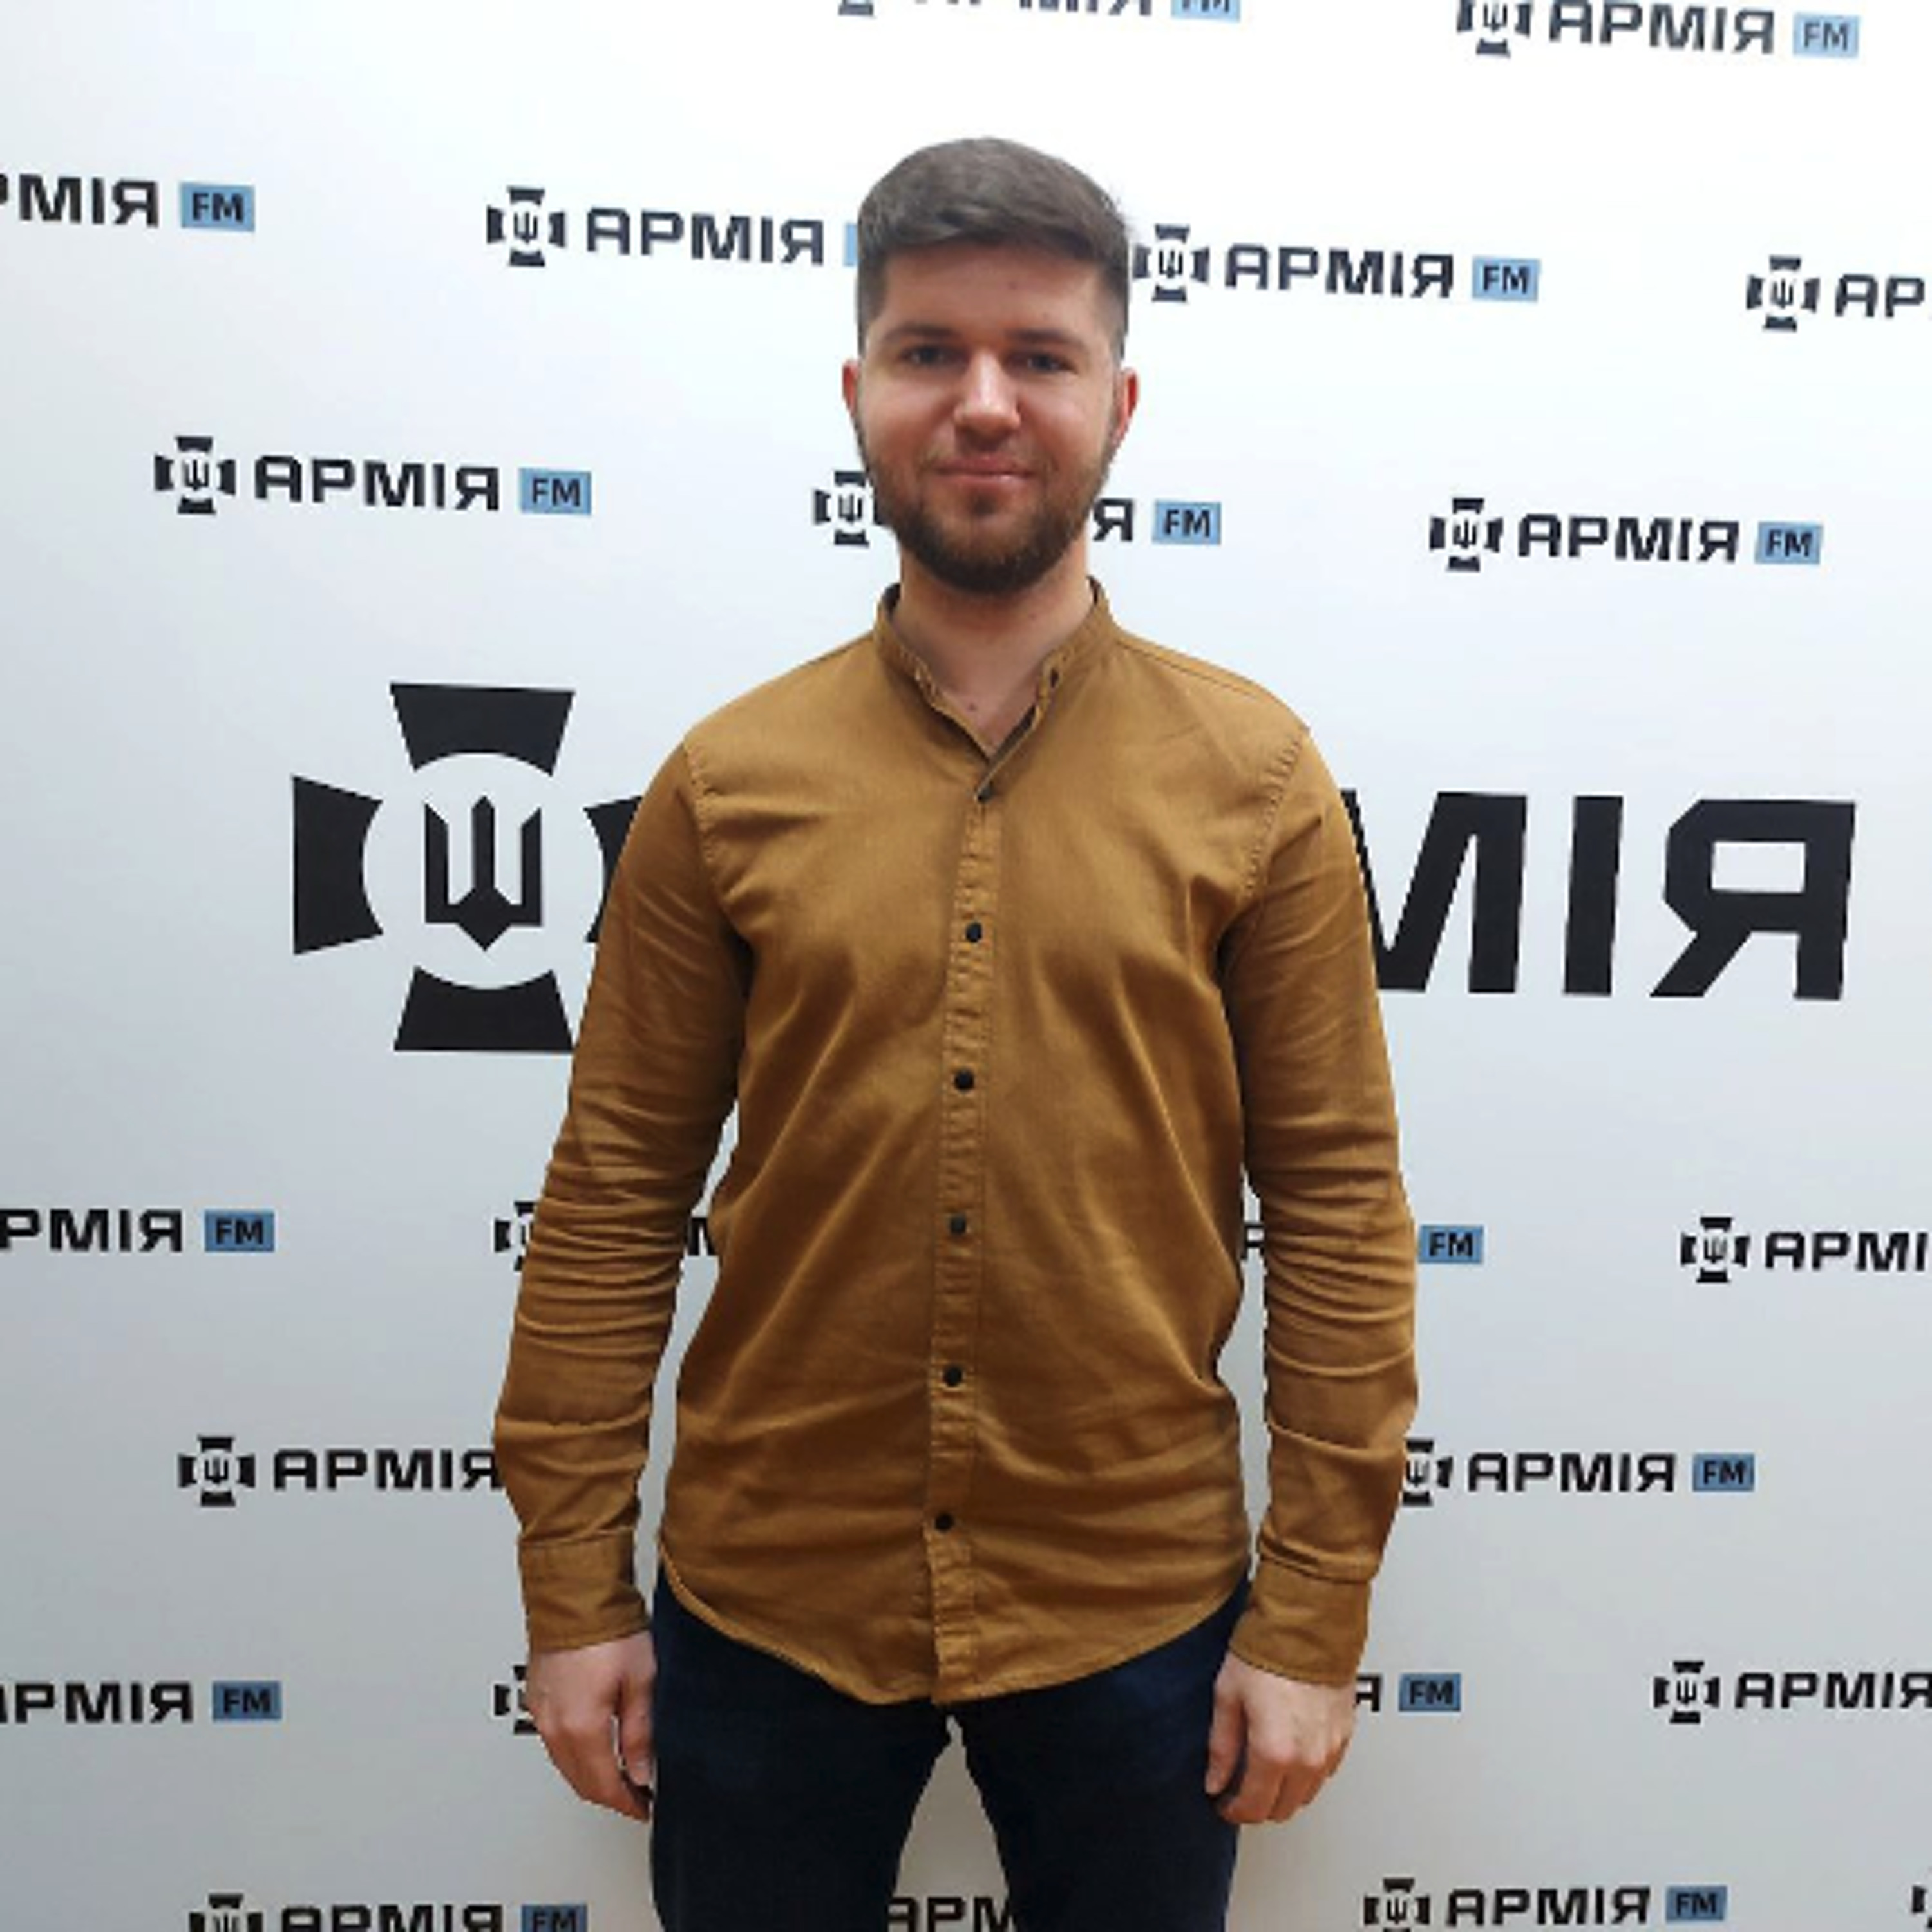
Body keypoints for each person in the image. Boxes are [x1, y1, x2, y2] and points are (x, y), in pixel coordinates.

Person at [493, 135, 1417, 1932]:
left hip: (1132, 1601)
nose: (985, 403)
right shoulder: (727, 782)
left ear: (1118, 405)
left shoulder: (1258, 780)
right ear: (858, 393)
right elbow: (611, 1200)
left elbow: (1338, 1210)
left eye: (1040, 356)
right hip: (772, 1597)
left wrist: (1313, 1615)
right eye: (930, 351)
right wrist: (573, 1589)